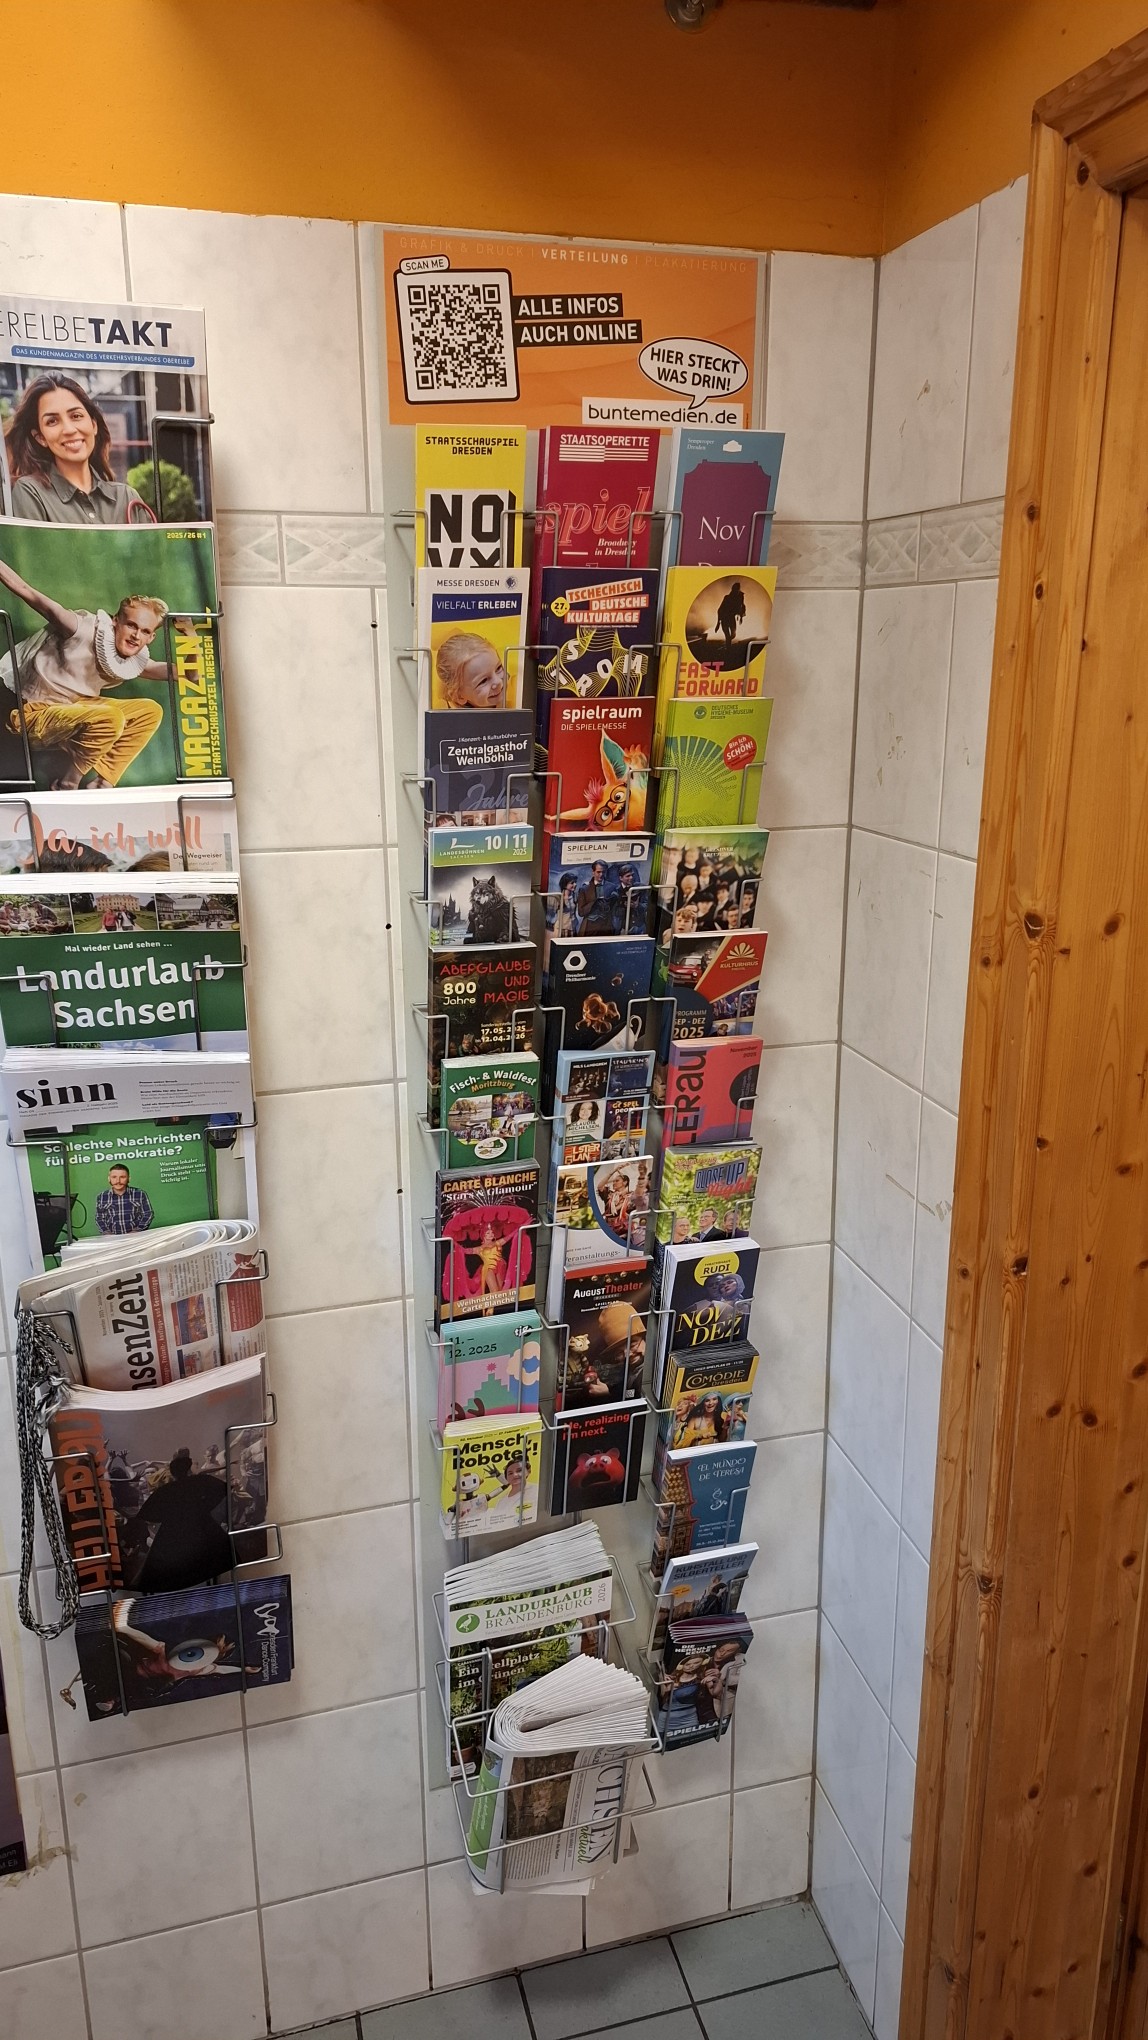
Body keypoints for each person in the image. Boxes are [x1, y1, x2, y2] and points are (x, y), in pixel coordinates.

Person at [0, 555, 178, 788]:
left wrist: (192, 635)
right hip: (32, 714)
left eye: (145, 631)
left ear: (151, 637)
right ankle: (68, 783)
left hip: (76, 712)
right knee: (111, 718)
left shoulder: (130, 659)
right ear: (115, 621)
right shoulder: (80, 629)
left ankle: (103, 782)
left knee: (149, 711)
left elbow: (185, 674)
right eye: (131, 625)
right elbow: (28, 592)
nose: (136, 635)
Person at [4, 376, 152, 525]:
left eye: (76, 416)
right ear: (40, 437)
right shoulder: (31, 493)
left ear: (93, 425)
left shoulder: (126, 497)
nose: (69, 430)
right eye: (52, 421)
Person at [125, 1448, 232, 1591]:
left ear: (173, 1472)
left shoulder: (167, 1490)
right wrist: (204, 1507)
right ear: (187, 1468)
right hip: (200, 1524)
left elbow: (148, 1513)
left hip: (174, 1530)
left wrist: (169, 1516)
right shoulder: (198, 1482)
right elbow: (221, 1490)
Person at [434, 631, 507, 709]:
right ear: (459, 696)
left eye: (498, 668)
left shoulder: (513, 685)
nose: (498, 681)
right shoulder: (453, 716)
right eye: (483, 681)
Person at [95, 1162, 155, 1236]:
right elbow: (99, 1218)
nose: (118, 1181)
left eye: (122, 1177)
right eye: (114, 1177)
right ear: (109, 1179)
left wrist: (137, 1231)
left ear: (128, 1179)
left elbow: (148, 1214)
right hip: (112, 1238)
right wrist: (108, 1234)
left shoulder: (140, 1194)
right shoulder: (102, 1197)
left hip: (136, 1237)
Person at [715, 581, 746, 649]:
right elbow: (720, 610)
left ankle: (727, 644)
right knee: (727, 636)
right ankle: (728, 649)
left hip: (731, 618)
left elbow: (742, 606)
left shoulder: (740, 597)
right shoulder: (727, 598)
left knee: (733, 635)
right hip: (724, 618)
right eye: (736, 589)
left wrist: (741, 617)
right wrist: (718, 623)